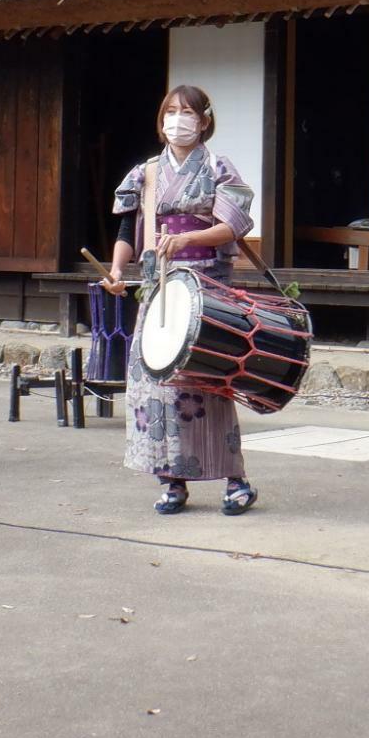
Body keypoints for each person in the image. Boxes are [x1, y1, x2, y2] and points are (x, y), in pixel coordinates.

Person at [101, 85, 260, 517]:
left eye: (186, 112)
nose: (177, 119)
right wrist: (117, 273)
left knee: (209, 379)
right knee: (158, 383)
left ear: (204, 121)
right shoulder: (145, 172)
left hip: (207, 285)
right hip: (158, 286)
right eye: (170, 111)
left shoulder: (217, 166)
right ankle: (171, 480)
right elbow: (125, 232)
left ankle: (234, 478)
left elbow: (233, 224)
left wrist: (189, 237)